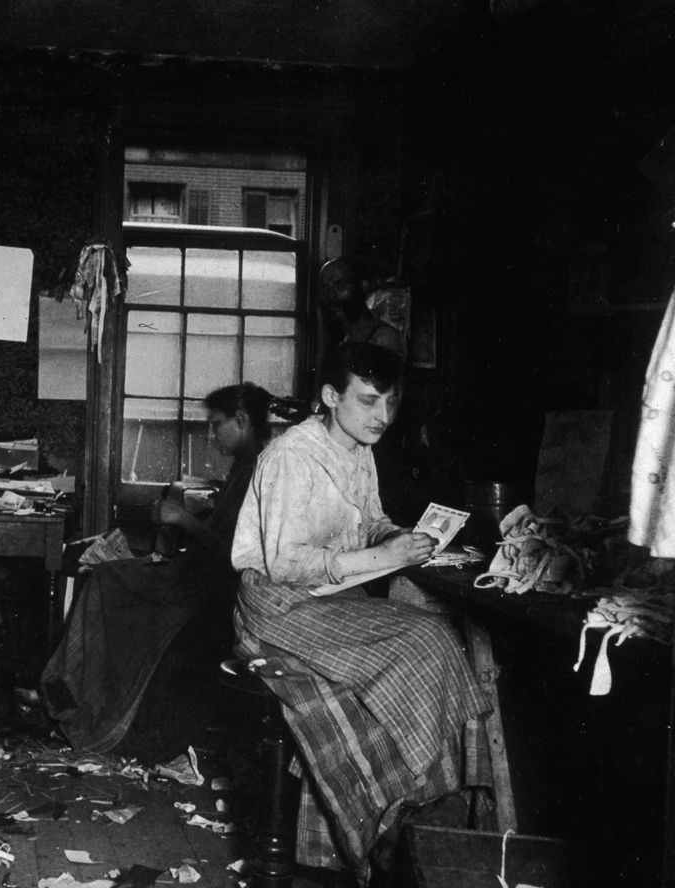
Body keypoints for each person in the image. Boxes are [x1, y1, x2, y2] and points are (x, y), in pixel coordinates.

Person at [230, 342, 489, 882]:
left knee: (437, 630)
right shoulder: (289, 457)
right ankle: (396, 812)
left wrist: (398, 537)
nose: (382, 417)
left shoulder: (357, 449)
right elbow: (284, 563)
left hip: (328, 597)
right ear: (330, 397)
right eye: (369, 402)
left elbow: (367, 519)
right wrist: (383, 557)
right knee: (424, 640)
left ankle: (420, 811)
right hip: (277, 605)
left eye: (390, 404)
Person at [42, 382, 273, 757]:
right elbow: (224, 529)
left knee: (107, 583)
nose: (212, 435)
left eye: (217, 425)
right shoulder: (242, 467)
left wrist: (183, 519)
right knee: (106, 575)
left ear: (243, 420)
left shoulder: (260, 471)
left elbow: (236, 554)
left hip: (218, 590)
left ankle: (91, 705)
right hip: (199, 575)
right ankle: (72, 694)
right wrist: (196, 518)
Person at [318, 257, 405, 355]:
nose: (331, 295)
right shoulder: (339, 337)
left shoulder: (383, 338)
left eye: (341, 286)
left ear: (363, 286)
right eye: (325, 289)